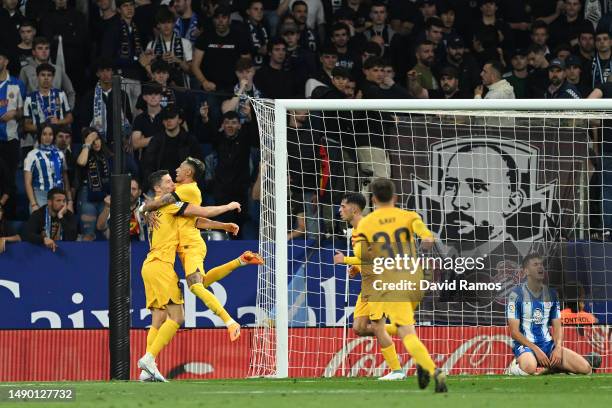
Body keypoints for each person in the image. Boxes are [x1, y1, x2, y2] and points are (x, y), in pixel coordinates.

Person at [140, 161, 262, 340]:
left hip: (189, 245)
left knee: (195, 287)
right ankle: (241, 261)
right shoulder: (171, 199)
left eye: (179, 168)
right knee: (195, 288)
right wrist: (223, 226)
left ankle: (229, 321)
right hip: (175, 252)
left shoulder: (185, 192)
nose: (174, 175)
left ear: (188, 172)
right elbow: (193, 219)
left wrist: (144, 208)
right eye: (168, 182)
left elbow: (200, 213)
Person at [351, 178, 446, 392]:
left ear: (373, 199)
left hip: (392, 283)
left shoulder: (367, 223)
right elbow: (428, 238)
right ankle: (423, 364)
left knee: (406, 332)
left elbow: (360, 254)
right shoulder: (409, 216)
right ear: (395, 197)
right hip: (416, 280)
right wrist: (422, 246)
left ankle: (433, 371)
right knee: (403, 328)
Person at [333, 192, 404, 380]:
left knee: (378, 327)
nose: (339, 210)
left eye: (343, 206)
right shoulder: (355, 233)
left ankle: (397, 371)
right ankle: (401, 329)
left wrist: (345, 259)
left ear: (354, 209)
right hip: (367, 284)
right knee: (359, 328)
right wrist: (356, 267)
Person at [506, 254, 592, 375]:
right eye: (535, 265)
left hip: (548, 346)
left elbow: (557, 327)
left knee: (586, 369)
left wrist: (557, 347)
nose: (540, 267)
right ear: (526, 271)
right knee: (530, 367)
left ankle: (552, 369)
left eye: (541, 264)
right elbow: (514, 332)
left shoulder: (551, 294)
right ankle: (513, 367)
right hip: (526, 346)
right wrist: (536, 350)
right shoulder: (516, 295)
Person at [440, 141, 525, 243]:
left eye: (477, 187)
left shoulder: (510, 258)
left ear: (512, 202)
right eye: (450, 185)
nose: (457, 202)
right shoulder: (447, 255)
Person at [141, 106, 203, 187]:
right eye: (166, 118)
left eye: (172, 117)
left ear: (180, 120)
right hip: (161, 186)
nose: (168, 121)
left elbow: (198, 166)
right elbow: (148, 165)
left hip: (184, 186)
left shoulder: (190, 140)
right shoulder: (156, 140)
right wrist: (155, 185)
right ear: (162, 122)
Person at [24, 124, 73, 214]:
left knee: (59, 226)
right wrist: (34, 204)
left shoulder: (60, 154)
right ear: (40, 136)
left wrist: (70, 201)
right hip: (40, 194)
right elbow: (27, 183)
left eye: (50, 134)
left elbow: (65, 179)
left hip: (59, 195)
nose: (47, 137)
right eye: (44, 134)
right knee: (41, 226)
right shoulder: (32, 155)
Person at [0, 49, 24, 219]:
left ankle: (9, 220)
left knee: (10, 181)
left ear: (6, 61)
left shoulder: (17, 84)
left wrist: (14, 114)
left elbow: (23, 111)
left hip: (10, 140)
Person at [75, 128, 112, 241]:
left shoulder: (108, 155)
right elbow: (81, 162)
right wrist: (87, 145)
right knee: (88, 233)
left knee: (108, 230)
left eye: (97, 139)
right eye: (92, 140)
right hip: (87, 194)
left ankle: (113, 258)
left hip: (105, 195)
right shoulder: (82, 152)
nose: (96, 142)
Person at [19, 36, 76, 108]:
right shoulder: (25, 70)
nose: (44, 51)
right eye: (40, 48)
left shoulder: (58, 69)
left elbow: (70, 92)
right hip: (34, 113)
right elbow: (20, 94)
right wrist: (26, 112)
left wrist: (69, 109)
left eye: (47, 48)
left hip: (56, 112)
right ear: (33, 52)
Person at [146, 7, 192, 88]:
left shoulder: (185, 43)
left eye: (169, 22)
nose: (166, 26)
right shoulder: (151, 45)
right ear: (158, 25)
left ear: (174, 24)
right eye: (163, 23)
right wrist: (159, 61)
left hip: (181, 87)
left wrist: (177, 60)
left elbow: (191, 71)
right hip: (158, 91)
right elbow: (148, 74)